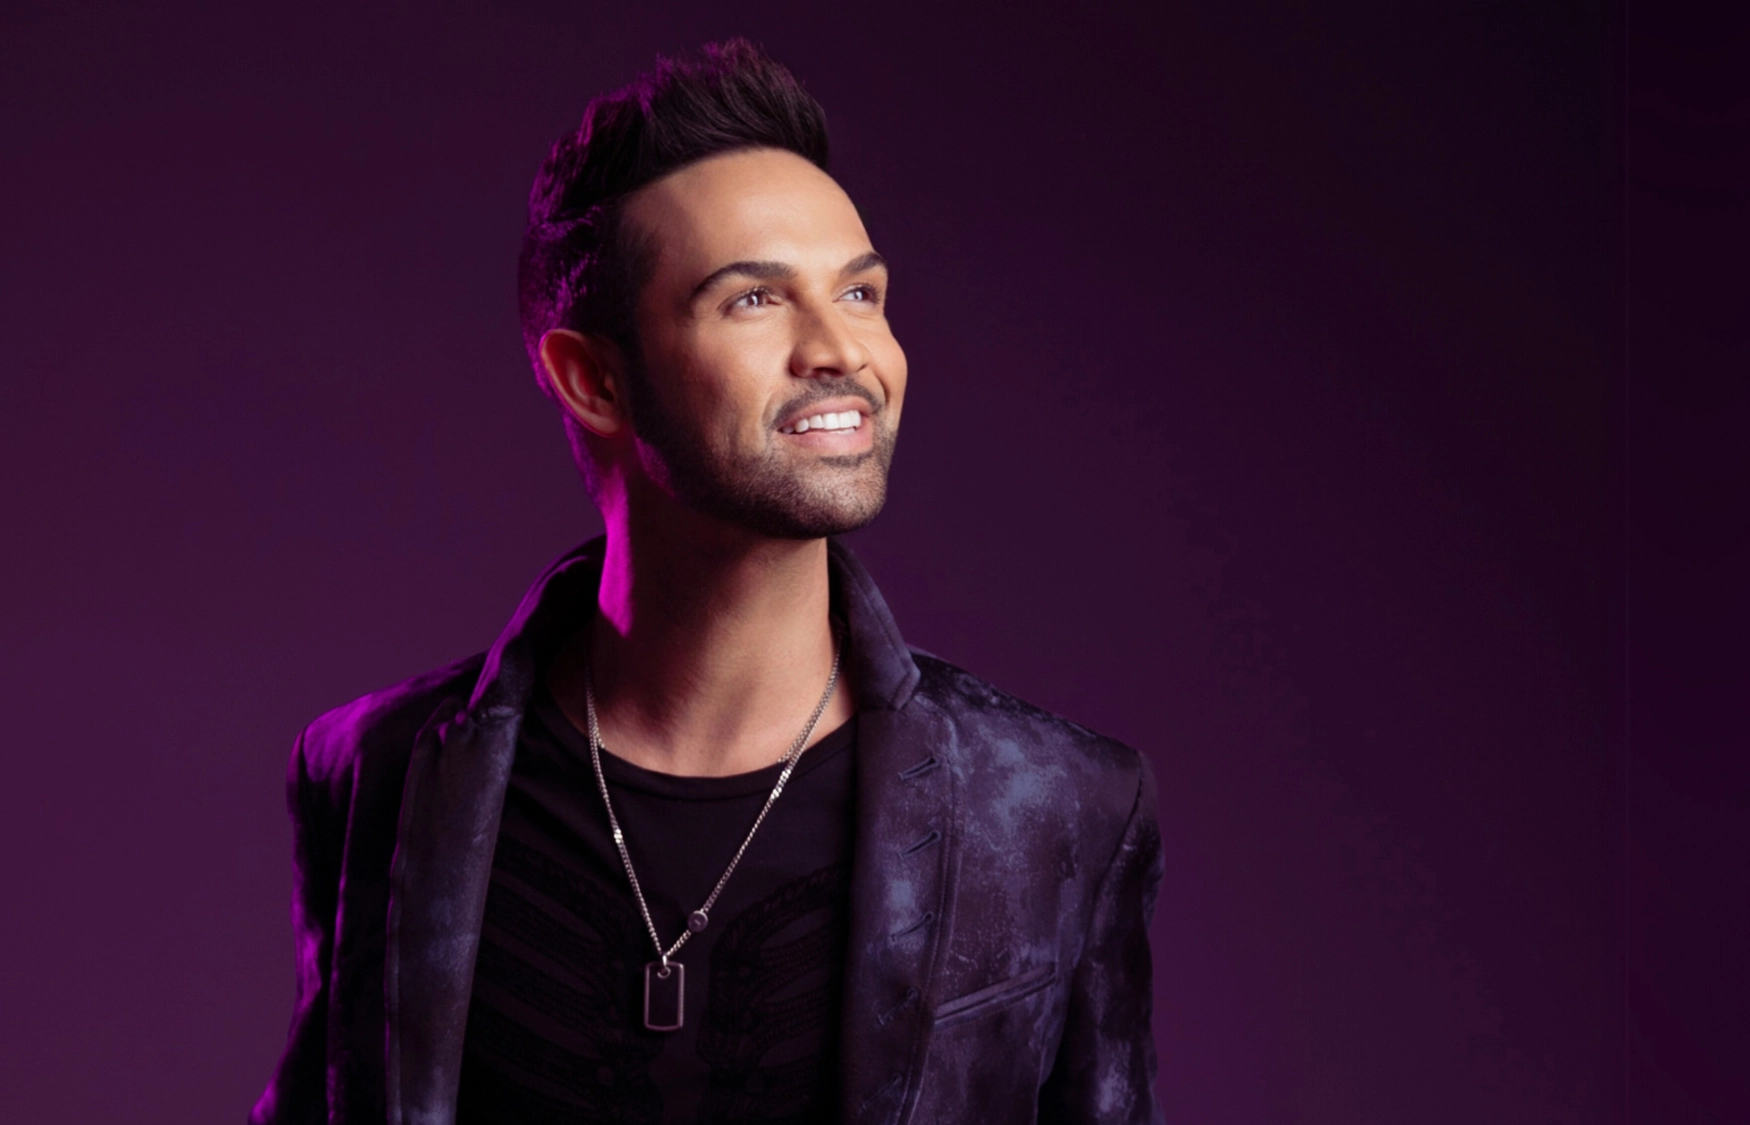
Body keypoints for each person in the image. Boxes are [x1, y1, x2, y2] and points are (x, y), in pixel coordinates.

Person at [251, 39, 1163, 1125]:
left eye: (861, 293)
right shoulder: (376, 777)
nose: (841, 350)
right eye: (752, 301)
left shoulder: (1059, 806)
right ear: (591, 379)